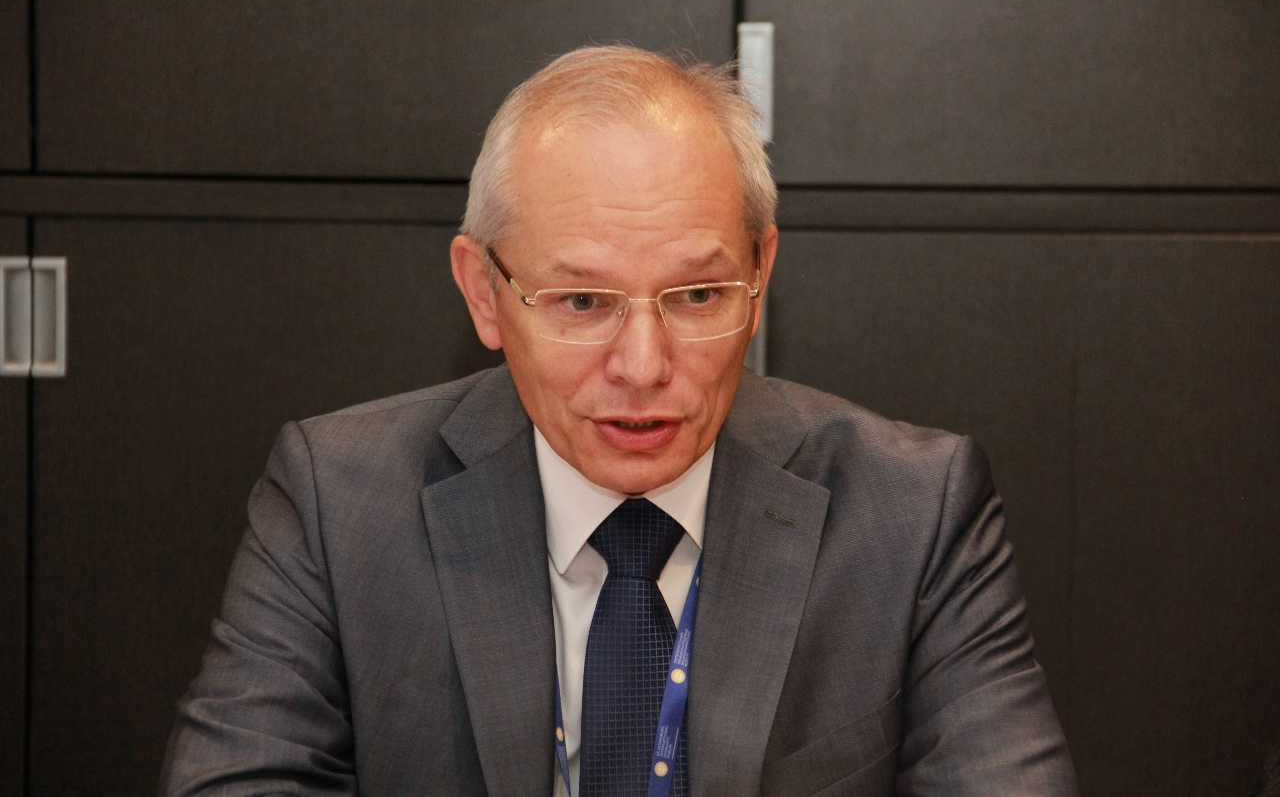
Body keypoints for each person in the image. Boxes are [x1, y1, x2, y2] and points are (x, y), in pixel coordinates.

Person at [160, 45, 1077, 796]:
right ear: (483, 292)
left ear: (760, 276)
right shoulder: (338, 499)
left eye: (698, 294)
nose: (643, 366)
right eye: (583, 302)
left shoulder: (912, 513)